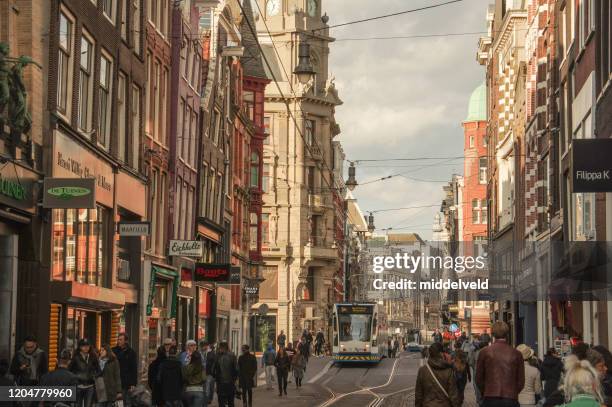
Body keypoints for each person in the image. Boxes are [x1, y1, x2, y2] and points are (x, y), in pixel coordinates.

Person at [476, 321, 525, 407]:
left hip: (490, 397)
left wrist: (486, 391)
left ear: (493, 334)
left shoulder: (485, 352)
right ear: (507, 334)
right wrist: (513, 392)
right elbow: (521, 381)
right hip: (510, 398)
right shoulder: (516, 354)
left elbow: (479, 378)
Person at [415, 342, 460, 407]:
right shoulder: (449, 371)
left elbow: (418, 394)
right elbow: (453, 395)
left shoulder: (422, 371)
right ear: (441, 354)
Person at [70, 339, 100, 407]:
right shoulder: (75, 357)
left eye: (87, 345)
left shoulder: (93, 356)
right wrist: (75, 378)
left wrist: (94, 376)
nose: (86, 347)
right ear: (80, 347)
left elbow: (99, 370)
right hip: (78, 386)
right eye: (83, 346)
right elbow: (70, 370)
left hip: (90, 386)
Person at [112, 333, 138, 407]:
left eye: (121, 340)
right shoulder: (113, 351)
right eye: (118, 339)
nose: (118, 341)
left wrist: (133, 383)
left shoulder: (131, 352)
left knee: (127, 402)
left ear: (126, 341)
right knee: (117, 403)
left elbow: (134, 368)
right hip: (116, 382)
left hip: (127, 382)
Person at [214, 342, 238, 407]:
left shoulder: (217, 356)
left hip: (220, 383)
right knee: (231, 401)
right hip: (230, 382)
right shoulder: (232, 355)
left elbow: (213, 370)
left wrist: (216, 380)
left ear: (220, 347)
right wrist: (235, 380)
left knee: (221, 401)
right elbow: (236, 369)